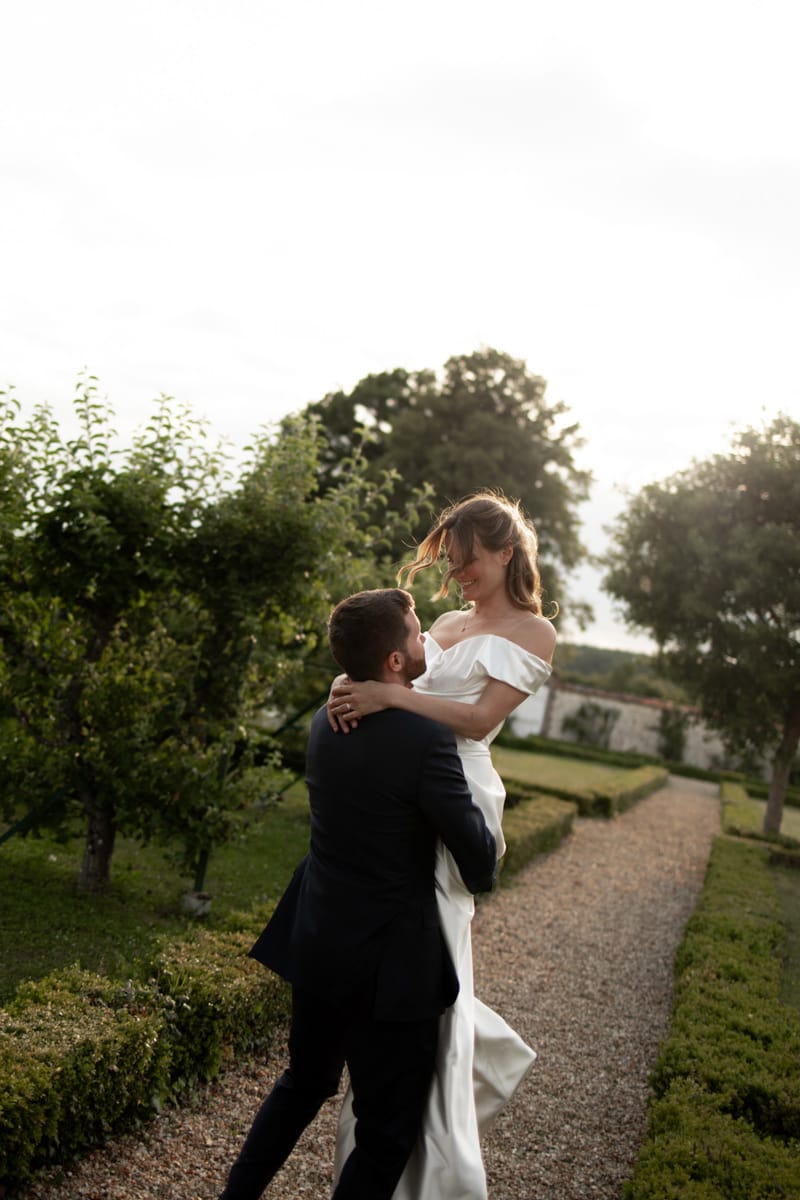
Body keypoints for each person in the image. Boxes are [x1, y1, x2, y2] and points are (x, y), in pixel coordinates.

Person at [217, 587, 497, 1200]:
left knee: (303, 1082)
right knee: (385, 1131)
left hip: (318, 937)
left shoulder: (329, 717)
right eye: (417, 631)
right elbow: (478, 862)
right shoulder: (426, 742)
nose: (425, 639)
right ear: (395, 662)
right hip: (389, 969)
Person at [328, 491, 556, 1200]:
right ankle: (379, 1133)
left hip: (459, 799)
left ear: (507, 554)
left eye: (469, 563)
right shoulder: (451, 622)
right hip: (398, 796)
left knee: (436, 960)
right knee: (393, 950)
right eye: (452, 565)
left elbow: (479, 716)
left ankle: (435, 1166)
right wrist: (354, 683)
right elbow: (392, 672)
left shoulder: (533, 632)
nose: (458, 578)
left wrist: (392, 699)